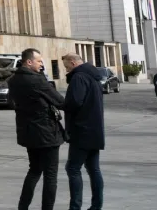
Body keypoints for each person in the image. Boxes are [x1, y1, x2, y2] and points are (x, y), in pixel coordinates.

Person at [8, 48, 65, 210]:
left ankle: (22, 207)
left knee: (34, 171)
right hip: (47, 133)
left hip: (28, 133)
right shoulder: (37, 80)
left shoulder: (13, 80)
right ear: (29, 62)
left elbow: (12, 103)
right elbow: (60, 101)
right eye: (39, 61)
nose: (42, 64)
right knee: (50, 175)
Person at [61, 53, 105, 210]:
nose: (66, 71)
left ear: (73, 63)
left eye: (66, 67)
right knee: (94, 169)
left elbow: (74, 102)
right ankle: (96, 206)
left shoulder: (79, 77)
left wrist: (61, 104)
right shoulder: (93, 77)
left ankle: (75, 207)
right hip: (95, 130)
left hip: (82, 130)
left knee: (72, 168)